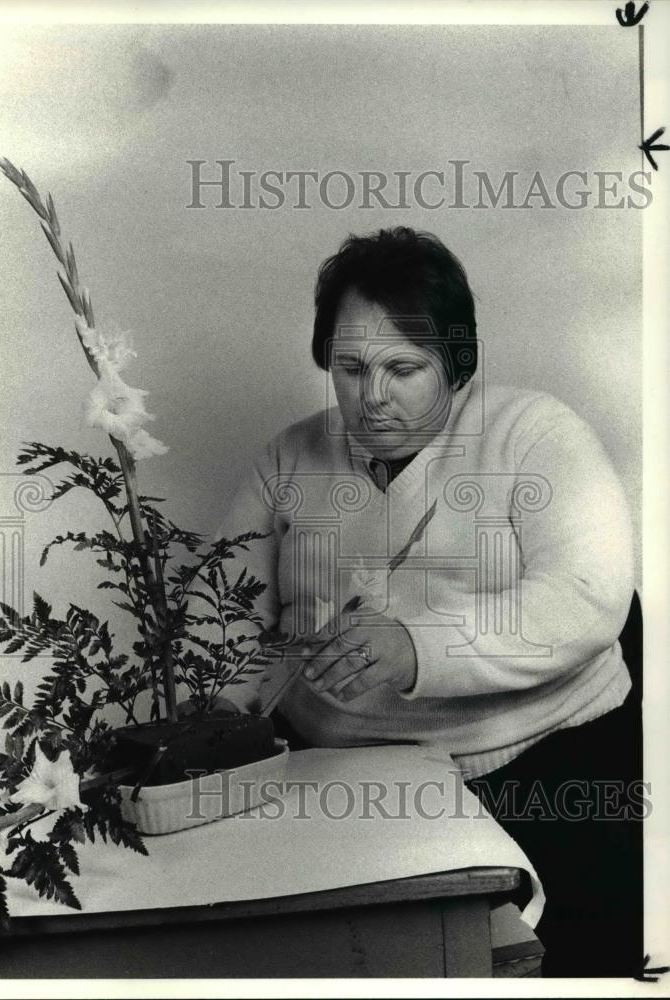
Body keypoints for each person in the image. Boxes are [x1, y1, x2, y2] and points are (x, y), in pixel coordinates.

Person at [211, 227, 642, 977]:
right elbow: (226, 621)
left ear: (456, 364)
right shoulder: (286, 458)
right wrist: (215, 725)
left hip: (543, 759)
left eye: (401, 368)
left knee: (571, 970)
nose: (370, 396)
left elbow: (585, 595)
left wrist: (415, 647)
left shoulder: (535, 433)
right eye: (348, 368)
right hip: (346, 773)